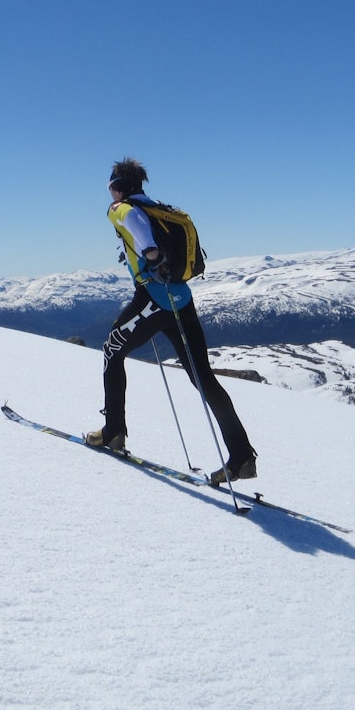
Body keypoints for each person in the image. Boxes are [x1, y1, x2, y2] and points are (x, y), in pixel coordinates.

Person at [86, 157, 257, 485]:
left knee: (111, 352)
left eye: (110, 185)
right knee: (203, 377)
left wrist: (150, 252)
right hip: (181, 298)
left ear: (117, 187)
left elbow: (138, 230)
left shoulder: (121, 209)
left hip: (154, 298)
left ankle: (113, 431)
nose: (109, 192)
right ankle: (242, 457)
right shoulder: (159, 209)